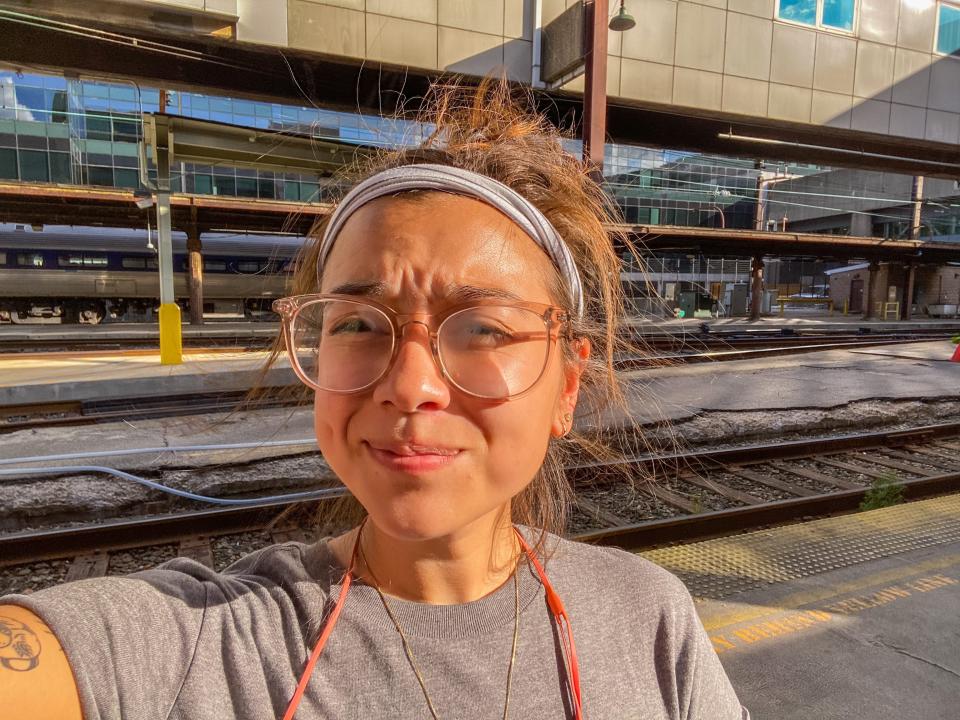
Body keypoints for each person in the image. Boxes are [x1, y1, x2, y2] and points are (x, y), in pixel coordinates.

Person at [0, 79, 747, 719]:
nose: (410, 384)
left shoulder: (651, 623)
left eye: (484, 328)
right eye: (358, 322)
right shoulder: (209, 644)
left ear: (568, 386)